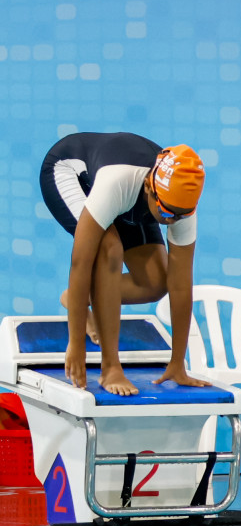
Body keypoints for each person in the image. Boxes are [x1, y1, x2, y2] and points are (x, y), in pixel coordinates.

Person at [40, 133, 209, 396]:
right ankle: (110, 367)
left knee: (156, 282)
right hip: (70, 173)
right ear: (150, 188)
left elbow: (180, 285)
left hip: (127, 195)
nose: (171, 222)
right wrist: (76, 344)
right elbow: (80, 263)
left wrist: (177, 363)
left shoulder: (179, 203)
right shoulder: (117, 182)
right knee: (109, 249)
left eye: (180, 215)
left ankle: (76, 297)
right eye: (166, 214)